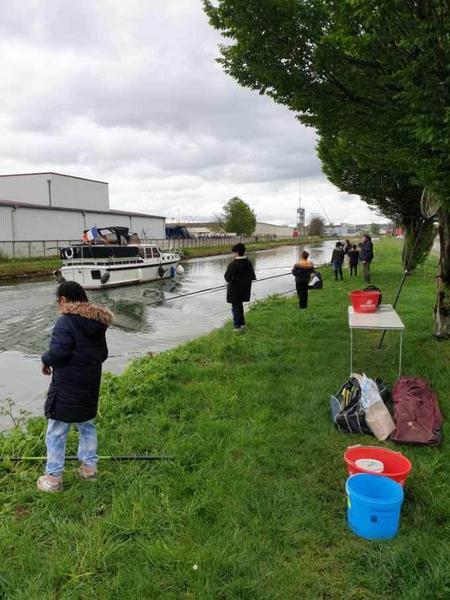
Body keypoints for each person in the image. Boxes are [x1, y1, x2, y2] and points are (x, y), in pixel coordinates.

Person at [37, 281, 114, 492]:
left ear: (63, 300)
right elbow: (103, 355)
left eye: (58, 302)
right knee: (87, 426)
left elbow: (58, 354)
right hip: (89, 387)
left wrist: (45, 359)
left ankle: (53, 479)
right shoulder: (97, 322)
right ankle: (89, 470)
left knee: (56, 431)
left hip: (66, 389)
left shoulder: (66, 322)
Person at [224, 243, 256, 331]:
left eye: (233, 252)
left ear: (237, 252)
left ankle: (237, 326)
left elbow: (227, 277)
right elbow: (252, 276)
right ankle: (242, 324)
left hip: (234, 290)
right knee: (239, 306)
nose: (233, 254)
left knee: (235, 307)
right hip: (245, 289)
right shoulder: (248, 262)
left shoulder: (233, 264)